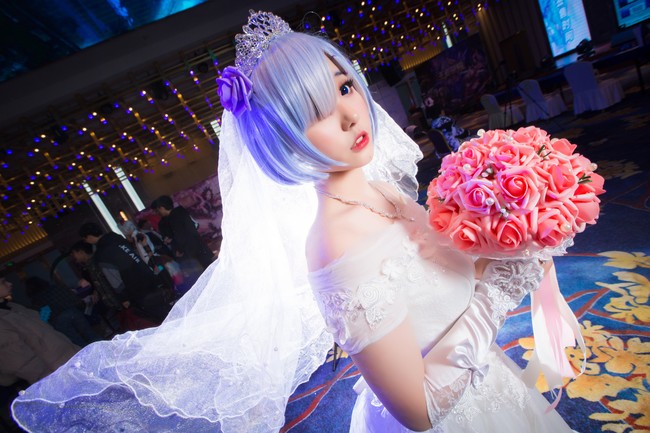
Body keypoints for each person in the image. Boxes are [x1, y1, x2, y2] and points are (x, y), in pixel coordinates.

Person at [12, 11, 575, 433]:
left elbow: (442, 288)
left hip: (488, 382)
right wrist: (499, 289)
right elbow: (420, 410)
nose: (350, 114)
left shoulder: (382, 189)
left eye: (344, 86)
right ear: (282, 140)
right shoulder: (336, 246)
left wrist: (510, 229)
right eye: (315, 112)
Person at [78, 222, 172, 324]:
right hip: (147, 275)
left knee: (160, 316)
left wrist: (123, 297)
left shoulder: (101, 253)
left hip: (136, 288)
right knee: (167, 309)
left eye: (85, 239)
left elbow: (113, 277)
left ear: (89, 236)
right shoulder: (117, 238)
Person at [0, 274, 79, 387]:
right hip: (59, 374)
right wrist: (51, 382)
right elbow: (21, 361)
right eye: (3, 282)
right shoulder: (5, 318)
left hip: (69, 361)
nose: (9, 284)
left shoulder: (13, 307)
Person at [23, 276, 101, 347]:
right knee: (90, 334)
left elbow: (44, 318)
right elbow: (74, 300)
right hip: (73, 312)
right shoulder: (56, 288)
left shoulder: (37, 300)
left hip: (58, 321)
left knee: (78, 342)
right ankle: (104, 350)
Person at [151, 195, 215, 270]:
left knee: (205, 270)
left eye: (158, 210)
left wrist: (179, 249)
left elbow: (180, 235)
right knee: (210, 267)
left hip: (190, 249)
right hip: (198, 244)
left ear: (161, 208)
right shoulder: (180, 211)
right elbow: (194, 225)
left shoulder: (173, 217)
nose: (158, 213)